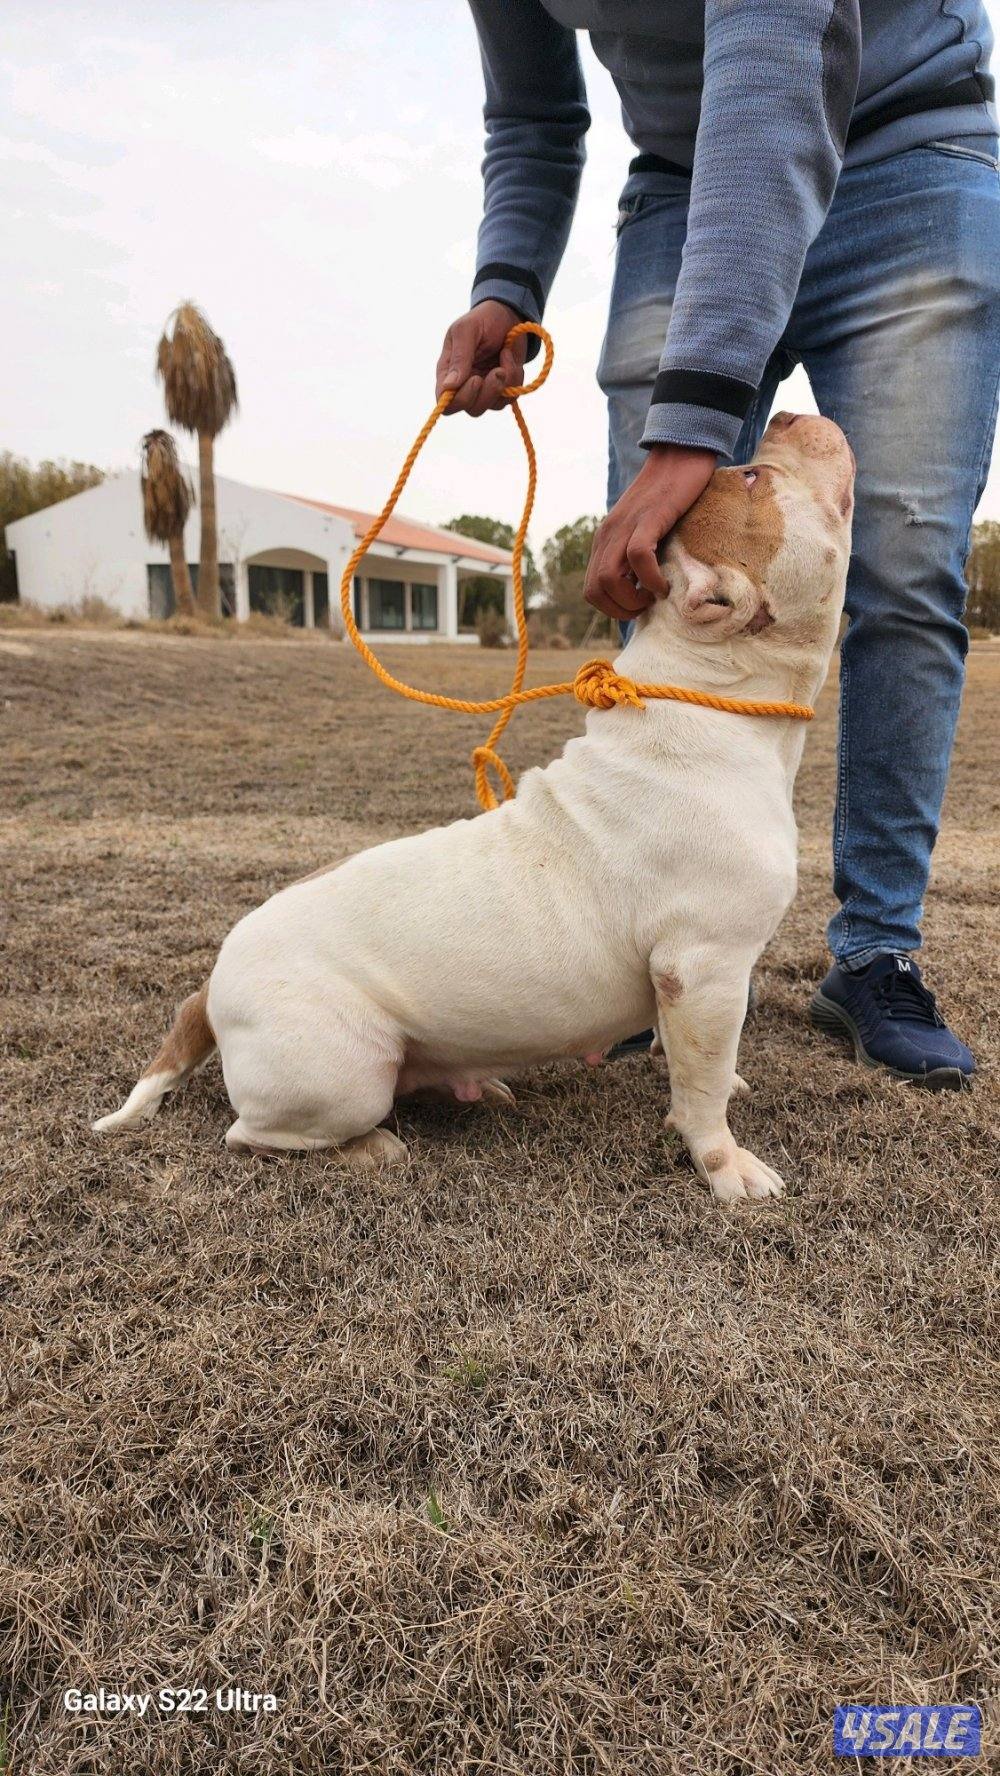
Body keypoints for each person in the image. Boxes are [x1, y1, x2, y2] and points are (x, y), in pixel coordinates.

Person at [436, 0, 999, 1089]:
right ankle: (632, 935)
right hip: (683, 181)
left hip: (907, 152)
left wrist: (692, 422)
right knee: (647, 576)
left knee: (902, 571)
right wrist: (504, 280)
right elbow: (535, 116)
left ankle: (876, 949)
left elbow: (774, 53)